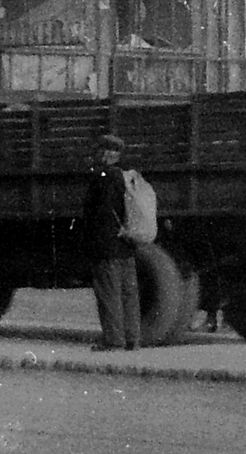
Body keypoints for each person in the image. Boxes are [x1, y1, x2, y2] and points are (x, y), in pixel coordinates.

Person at [80, 133, 139, 352]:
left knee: (109, 293)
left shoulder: (103, 177)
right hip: (128, 243)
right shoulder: (128, 176)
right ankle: (132, 339)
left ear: (106, 153)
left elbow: (98, 213)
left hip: (107, 245)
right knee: (129, 295)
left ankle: (114, 341)